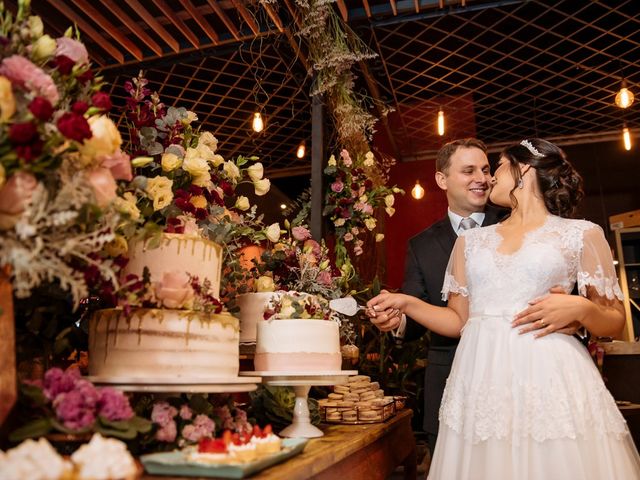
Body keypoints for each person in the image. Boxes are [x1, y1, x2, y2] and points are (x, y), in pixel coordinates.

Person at [368, 138, 640, 479]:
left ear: (523, 170)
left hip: (549, 376)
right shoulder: (471, 242)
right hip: (480, 378)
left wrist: (579, 307)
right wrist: (404, 302)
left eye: (495, 166)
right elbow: (458, 320)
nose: (489, 177)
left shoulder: (581, 234)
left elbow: (615, 320)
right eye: (473, 170)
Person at [369, 138, 504, 458]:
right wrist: (394, 320)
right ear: (442, 179)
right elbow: (415, 316)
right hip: (448, 379)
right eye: (468, 170)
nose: (481, 178)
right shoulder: (423, 245)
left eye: (485, 170)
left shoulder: (511, 223)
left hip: (510, 374)